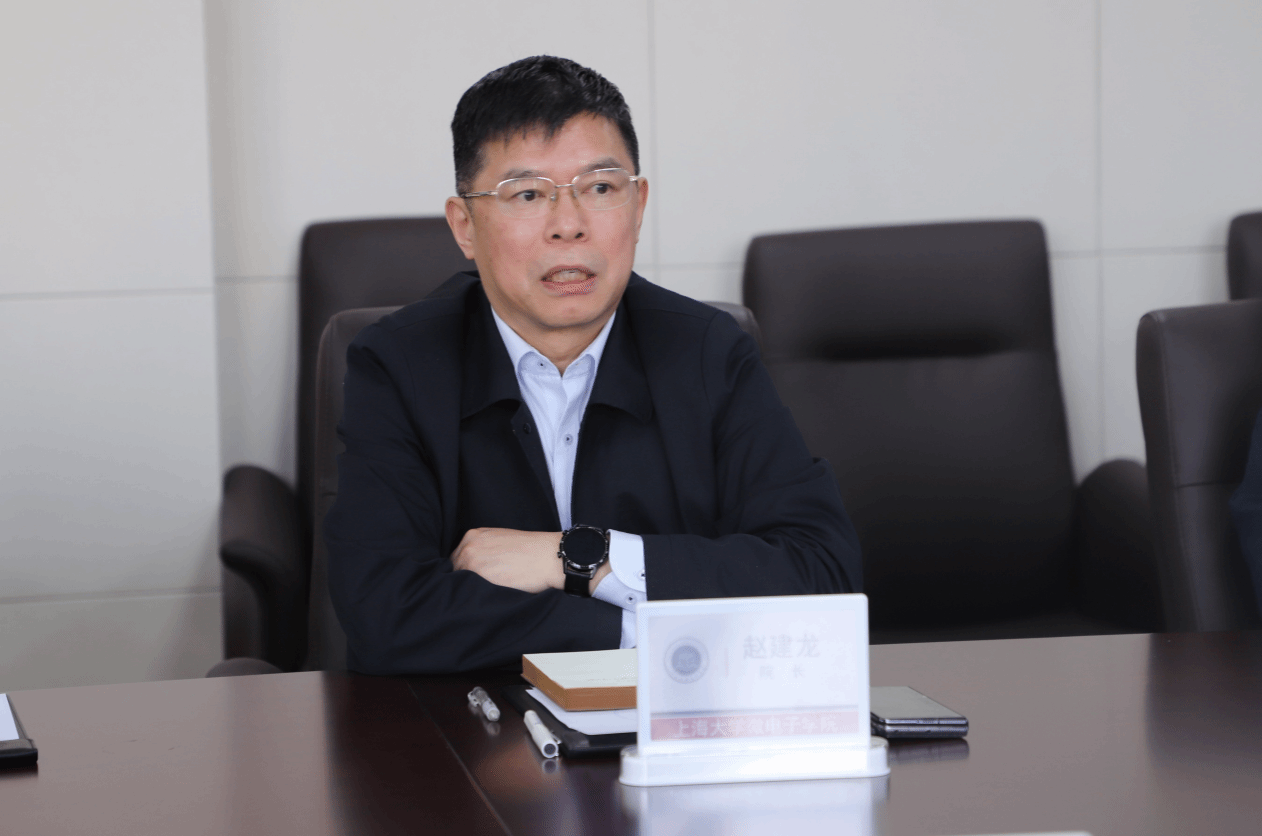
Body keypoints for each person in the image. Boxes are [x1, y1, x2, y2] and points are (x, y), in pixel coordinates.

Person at [324, 55, 861, 675]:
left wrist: (577, 557)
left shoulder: (707, 352)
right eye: (528, 194)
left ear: (638, 206)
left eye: (601, 189)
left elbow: (822, 574)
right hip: (471, 728)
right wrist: (649, 632)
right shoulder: (400, 364)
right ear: (464, 226)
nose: (569, 226)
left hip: (672, 726)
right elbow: (385, 613)